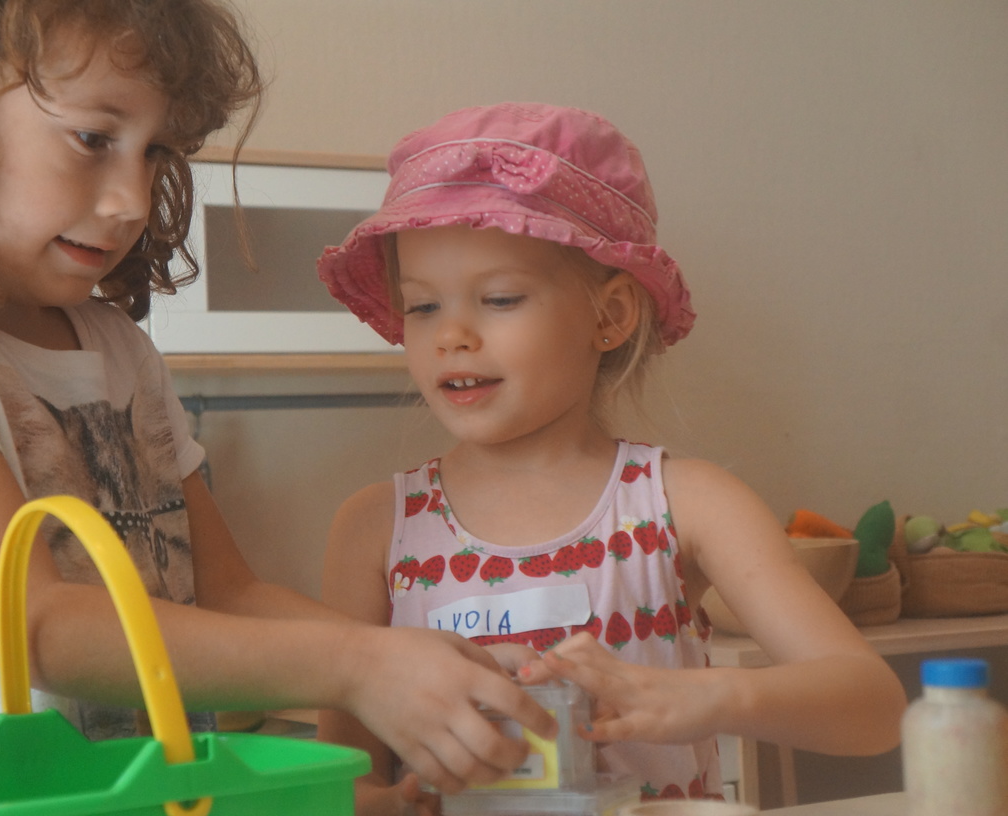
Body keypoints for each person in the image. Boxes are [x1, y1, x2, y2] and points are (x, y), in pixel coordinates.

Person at [0, 2, 558, 784]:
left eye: (155, 152)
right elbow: (39, 628)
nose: (132, 199)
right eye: (93, 139)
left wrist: (417, 660)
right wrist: (358, 666)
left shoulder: (117, 347)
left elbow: (227, 594)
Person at [315, 102, 907, 813]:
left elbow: (873, 706)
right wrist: (379, 801)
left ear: (611, 316)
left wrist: (704, 696)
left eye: (499, 298)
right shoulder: (375, 527)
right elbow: (343, 776)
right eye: (422, 307)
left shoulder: (688, 502)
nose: (452, 336)